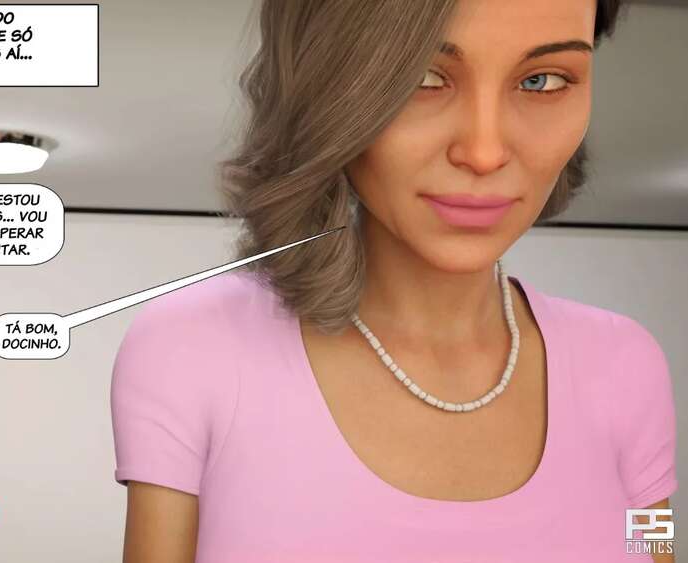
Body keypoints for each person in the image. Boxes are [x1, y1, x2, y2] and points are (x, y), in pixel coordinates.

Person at [111, 1, 678, 561]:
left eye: (542, 81)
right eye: (424, 78)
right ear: (326, 85)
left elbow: (654, 546)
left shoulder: (627, 368)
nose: (484, 153)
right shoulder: (195, 351)